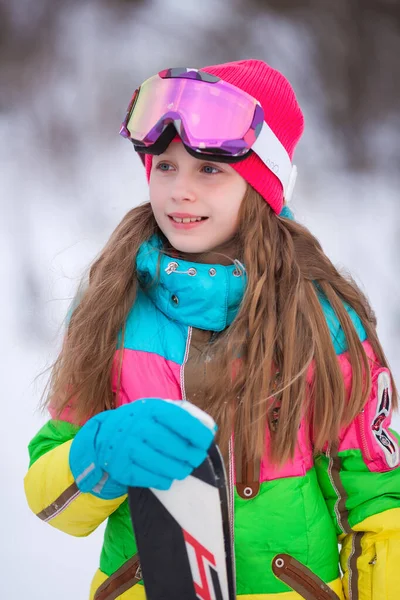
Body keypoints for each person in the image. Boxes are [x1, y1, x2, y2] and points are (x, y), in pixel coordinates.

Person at [24, 59, 400, 600]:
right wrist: (99, 452)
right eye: (166, 166)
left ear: (261, 182)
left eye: (210, 170)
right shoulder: (111, 302)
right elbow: (52, 503)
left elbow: (381, 504)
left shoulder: (323, 317)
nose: (180, 191)